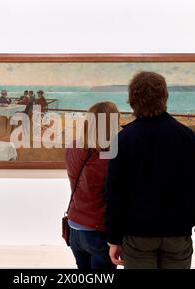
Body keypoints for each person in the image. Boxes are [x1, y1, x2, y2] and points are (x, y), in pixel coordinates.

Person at [105, 71, 195, 269]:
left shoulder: (122, 140)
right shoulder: (188, 137)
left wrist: (114, 238)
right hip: (177, 234)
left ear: (132, 100)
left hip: (137, 236)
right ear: (164, 97)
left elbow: (114, 194)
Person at [66, 101, 120, 270]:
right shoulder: (110, 158)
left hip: (75, 225)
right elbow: (115, 199)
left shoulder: (73, 146)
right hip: (98, 230)